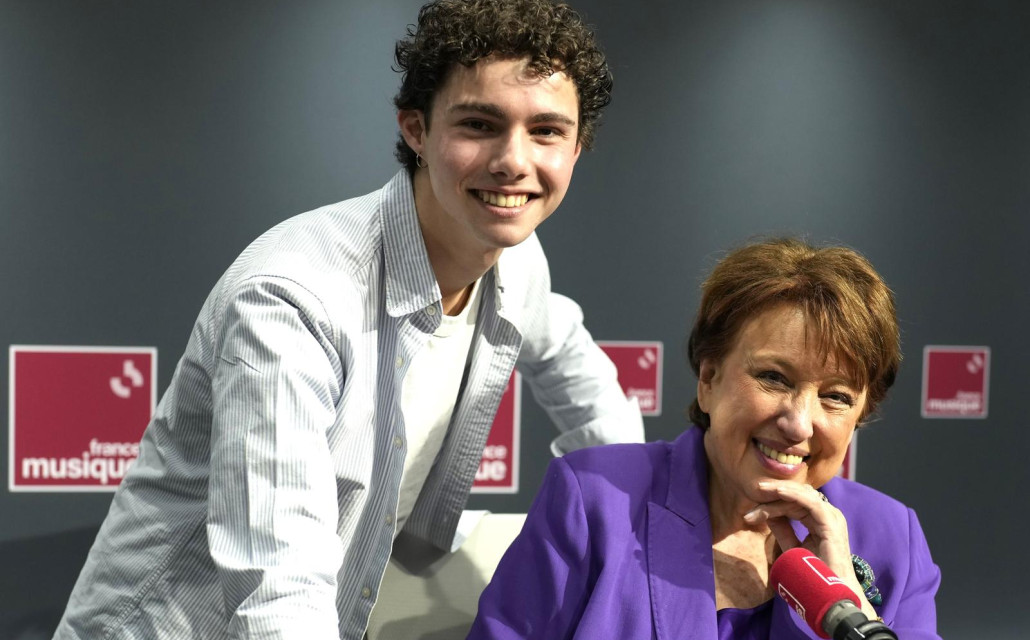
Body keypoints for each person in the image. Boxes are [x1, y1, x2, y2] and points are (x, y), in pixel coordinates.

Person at [53, 1, 643, 638]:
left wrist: (621, 535)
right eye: (479, 124)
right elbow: (278, 585)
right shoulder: (291, 300)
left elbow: (585, 387)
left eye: (547, 131)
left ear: (577, 147)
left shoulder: (517, 260)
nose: (514, 161)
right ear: (416, 129)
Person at [469, 238, 941, 639]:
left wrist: (851, 611)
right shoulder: (594, 501)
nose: (799, 424)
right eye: (774, 378)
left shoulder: (891, 539)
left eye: (836, 396)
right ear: (709, 378)